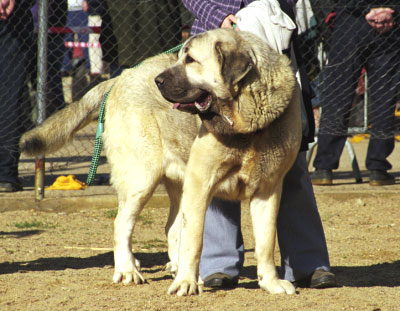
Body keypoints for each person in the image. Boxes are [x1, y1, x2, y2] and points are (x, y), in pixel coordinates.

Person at [182, 0, 337, 289]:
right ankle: (219, 265)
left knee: (289, 165)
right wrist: (218, 14)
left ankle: (307, 263)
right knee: (214, 165)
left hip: (269, 37)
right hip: (212, 50)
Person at [311, 1, 400, 186]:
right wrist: (389, 11)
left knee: (338, 94)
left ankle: (324, 168)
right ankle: (377, 167)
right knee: (385, 95)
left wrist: (329, 21)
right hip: (388, 20)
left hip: (351, 19)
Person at [0, 0, 35, 192]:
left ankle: (5, 173)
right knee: (9, 96)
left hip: (13, 19)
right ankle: (5, 174)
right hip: (13, 15)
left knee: (10, 96)